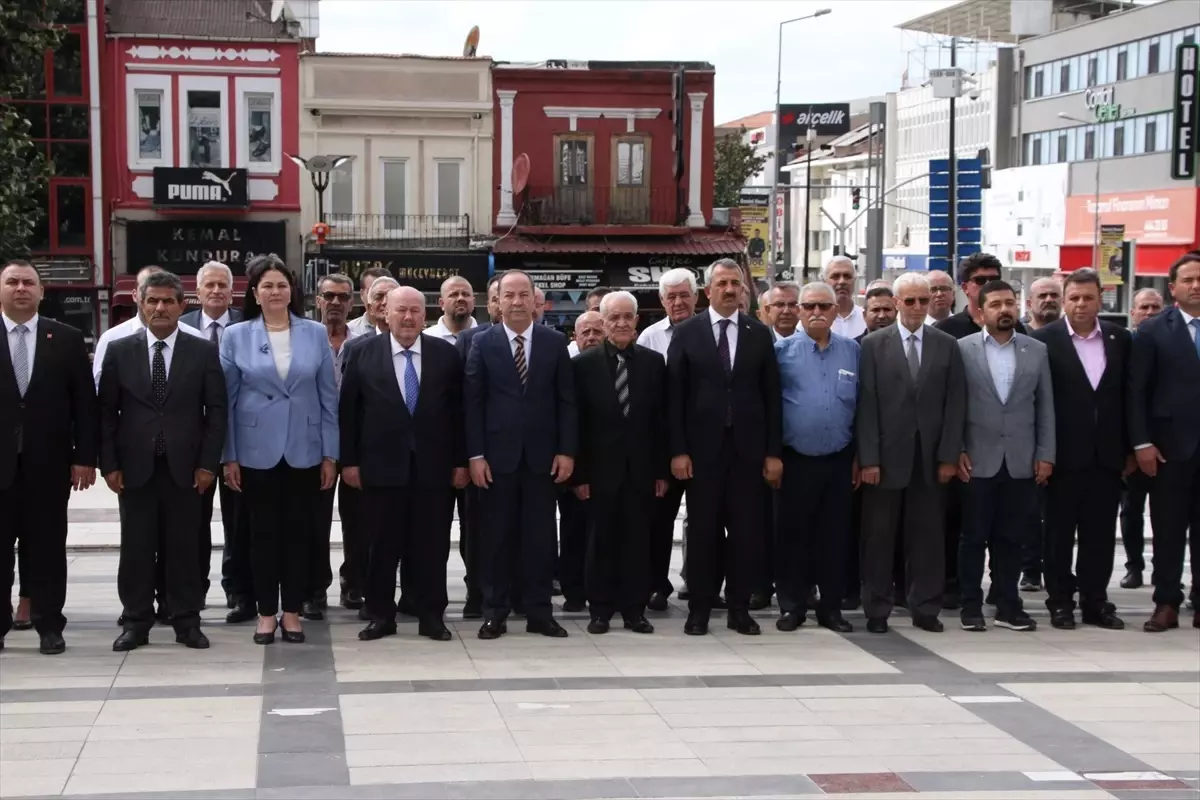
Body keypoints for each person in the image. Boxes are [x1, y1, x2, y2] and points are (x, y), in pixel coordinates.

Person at [100, 271, 226, 651]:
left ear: (181, 305)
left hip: (186, 471)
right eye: (152, 300)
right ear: (140, 302)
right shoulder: (120, 350)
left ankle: (186, 620)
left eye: (168, 301)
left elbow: (216, 412)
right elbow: (105, 412)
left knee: (184, 548)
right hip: (135, 469)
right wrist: (109, 464)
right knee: (136, 548)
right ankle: (136, 622)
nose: (159, 308)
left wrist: (207, 465)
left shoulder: (202, 350)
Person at [221, 255, 338, 645]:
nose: (275, 292)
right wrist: (229, 456)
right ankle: (266, 613)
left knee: (298, 534)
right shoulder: (236, 336)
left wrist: (330, 454)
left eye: (282, 285)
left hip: (304, 450)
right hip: (255, 451)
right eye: (267, 286)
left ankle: (292, 611)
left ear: (292, 292)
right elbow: (228, 401)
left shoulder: (314, 333)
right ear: (255, 292)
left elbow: (328, 399)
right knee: (261, 536)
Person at [341, 286, 467, 641]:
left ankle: (431, 615)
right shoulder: (361, 352)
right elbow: (349, 413)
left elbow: (458, 412)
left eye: (415, 310)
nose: (409, 317)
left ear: (424, 314)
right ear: (386, 313)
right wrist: (349, 462)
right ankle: (381, 615)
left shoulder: (445, 354)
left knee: (431, 545)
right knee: (380, 545)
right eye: (401, 310)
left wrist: (460, 461)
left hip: (433, 468)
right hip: (380, 469)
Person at [667, 258, 781, 636]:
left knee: (747, 533)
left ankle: (739, 608)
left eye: (736, 283)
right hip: (703, 455)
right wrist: (679, 451)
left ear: (744, 290)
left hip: (748, 453)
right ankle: (699, 608)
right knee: (703, 534)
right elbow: (675, 398)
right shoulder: (687, 333)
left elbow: (772, 397)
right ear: (708, 290)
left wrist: (772, 452)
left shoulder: (758, 333)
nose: (730, 289)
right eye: (723, 283)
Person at [465, 270, 577, 639]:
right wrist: (475, 455)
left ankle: (539, 612)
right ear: (496, 302)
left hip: (543, 460)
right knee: (496, 539)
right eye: (508, 295)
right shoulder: (483, 342)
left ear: (535, 301)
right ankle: (494, 612)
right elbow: (473, 403)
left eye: (522, 295)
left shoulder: (554, 342)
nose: (516, 302)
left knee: (541, 540)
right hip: (497, 460)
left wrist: (566, 451)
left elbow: (566, 401)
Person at [857, 272, 964, 634]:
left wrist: (949, 456)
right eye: (911, 300)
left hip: (931, 460)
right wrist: (869, 459)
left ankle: (926, 608)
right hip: (886, 460)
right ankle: (877, 609)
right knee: (879, 538)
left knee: (929, 538)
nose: (919, 306)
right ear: (898, 302)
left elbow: (955, 405)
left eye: (925, 299)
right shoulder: (872, 345)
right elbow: (866, 406)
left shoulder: (947, 344)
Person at [0, 260, 98, 655]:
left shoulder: (67, 338)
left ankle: (49, 625)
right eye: (12, 282)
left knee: (48, 550)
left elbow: (84, 405)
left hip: (49, 465)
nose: (20, 288)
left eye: (28, 282)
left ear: (42, 292)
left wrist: (85, 457)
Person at [1032, 269, 1129, 631]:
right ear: (1064, 298)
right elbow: (1038, 400)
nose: (1081, 304)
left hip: (1106, 456)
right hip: (1061, 457)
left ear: (1100, 298)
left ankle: (1095, 601)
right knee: (1057, 535)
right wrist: (1042, 452)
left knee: (1100, 535)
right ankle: (1060, 602)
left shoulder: (1121, 339)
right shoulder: (1043, 340)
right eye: (1073, 298)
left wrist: (1130, 448)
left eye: (1088, 297)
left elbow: (1126, 397)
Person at [957, 279, 1055, 632]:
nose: (1004, 310)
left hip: (1021, 460)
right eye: (996, 304)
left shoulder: (1035, 350)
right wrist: (958, 449)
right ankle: (970, 605)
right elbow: (953, 406)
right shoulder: (962, 349)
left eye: (1010, 303)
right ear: (981, 311)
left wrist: (1046, 453)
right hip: (976, 460)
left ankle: (1007, 604)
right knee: (973, 537)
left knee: (1012, 537)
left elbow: (1045, 407)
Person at [572, 291, 665, 634]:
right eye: (614, 318)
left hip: (641, 472)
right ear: (603, 322)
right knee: (600, 543)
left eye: (628, 317)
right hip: (599, 473)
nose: (622, 323)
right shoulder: (582, 365)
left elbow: (661, 422)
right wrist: (579, 475)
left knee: (638, 543)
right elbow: (576, 424)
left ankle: (634, 610)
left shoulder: (655, 364)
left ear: (637, 321)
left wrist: (660, 471)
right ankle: (600, 610)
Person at [774, 281, 857, 633]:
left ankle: (831, 607)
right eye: (809, 307)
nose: (817, 313)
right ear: (799, 311)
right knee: (794, 537)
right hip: (796, 460)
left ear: (836, 310)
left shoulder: (853, 351)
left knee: (836, 538)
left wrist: (859, 456)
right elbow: (770, 407)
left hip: (839, 459)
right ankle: (793, 606)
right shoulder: (782, 353)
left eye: (824, 306)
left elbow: (864, 406)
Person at [1128, 252, 1200, 632]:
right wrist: (1141, 443)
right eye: (1188, 280)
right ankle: (1166, 602)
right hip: (1170, 449)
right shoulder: (1154, 331)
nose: (1196, 285)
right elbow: (1137, 391)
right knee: (1169, 529)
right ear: (1173, 288)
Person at [180, 261, 248, 619]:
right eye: (210, 285)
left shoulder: (248, 325)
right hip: (194, 441)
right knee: (194, 521)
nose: (217, 291)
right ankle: (195, 589)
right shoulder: (181, 327)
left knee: (238, 521)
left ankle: (237, 590)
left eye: (224, 285)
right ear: (198, 291)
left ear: (233, 290)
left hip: (239, 437)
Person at [638, 267, 699, 610]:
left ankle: (701, 583)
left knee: (706, 520)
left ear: (696, 296)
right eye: (671, 296)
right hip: (664, 445)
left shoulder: (709, 333)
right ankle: (656, 584)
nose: (678, 301)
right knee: (659, 521)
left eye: (683, 294)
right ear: (662, 300)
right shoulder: (650, 337)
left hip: (704, 442)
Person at [314, 274, 366, 616]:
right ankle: (314, 588)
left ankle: (354, 584)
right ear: (318, 299)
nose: (335, 302)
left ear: (352, 302)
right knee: (312, 521)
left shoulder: (364, 342)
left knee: (357, 521)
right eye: (328, 295)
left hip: (354, 443)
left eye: (342, 297)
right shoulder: (305, 337)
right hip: (311, 443)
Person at [455, 273, 503, 619]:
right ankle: (477, 591)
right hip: (479, 451)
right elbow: (461, 400)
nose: (507, 303)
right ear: (491, 303)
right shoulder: (468, 340)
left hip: (519, 452)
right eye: (499, 297)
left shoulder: (540, 341)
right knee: (475, 528)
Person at [558, 310, 604, 611]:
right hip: (577, 471)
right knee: (574, 534)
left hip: (613, 471)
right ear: (575, 336)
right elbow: (569, 424)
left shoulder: (618, 366)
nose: (590, 337)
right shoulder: (570, 369)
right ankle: (574, 594)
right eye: (584, 332)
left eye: (596, 331)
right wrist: (578, 476)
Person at [93, 266, 206, 389]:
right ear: (135, 295)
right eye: (147, 288)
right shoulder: (111, 339)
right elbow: (101, 389)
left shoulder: (196, 338)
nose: (160, 307)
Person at [1119, 287, 1165, 589]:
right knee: (1131, 510)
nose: (1149, 313)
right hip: (1132, 445)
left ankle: (1164, 571)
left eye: (1155, 308)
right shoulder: (1123, 345)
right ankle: (1134, 566)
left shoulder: (1171, 343)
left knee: (1167, 514)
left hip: (1168, 446)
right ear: (1133, 313)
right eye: (1143, 307)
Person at [824, 256, 866, 339]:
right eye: (835, 276)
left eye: (847, 276)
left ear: (854, 280)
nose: (842, 281)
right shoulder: (813, 319)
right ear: (825, 281)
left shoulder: (866, 318)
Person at [427, 275, 478, 344]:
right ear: (442, 303)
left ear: (473, 302)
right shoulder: (427, 338)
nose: (461, 298)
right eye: (454, 294)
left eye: (465, 294)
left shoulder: (487, 337)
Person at [347, 266, 393, 336]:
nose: (384, 301)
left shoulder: (406, 330)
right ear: (362, 294)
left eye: (388, 293)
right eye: (372, 292)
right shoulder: (350, 330)